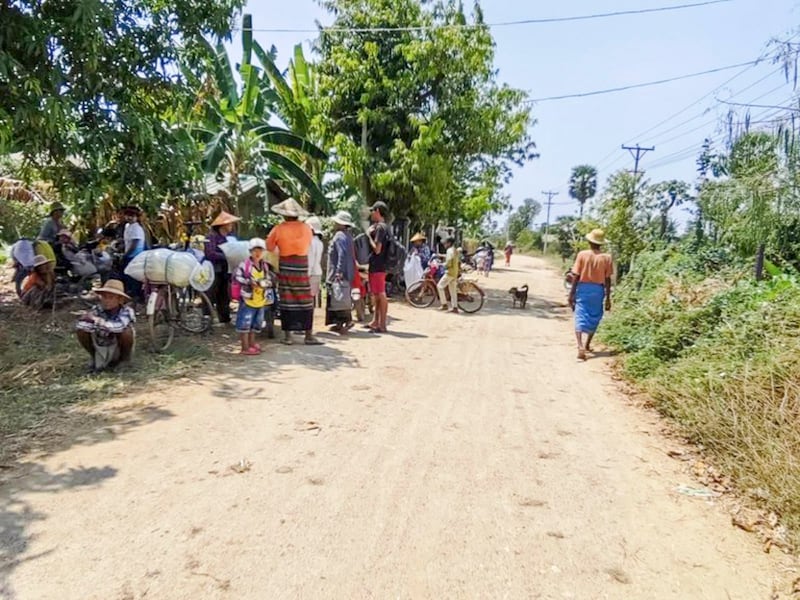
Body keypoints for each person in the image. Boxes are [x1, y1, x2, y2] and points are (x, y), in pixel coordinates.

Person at [266, 198, 322, 346]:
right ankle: (308, 335)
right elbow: (308, 243)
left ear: (284, 215)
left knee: (287, 298)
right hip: (302, 265)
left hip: (286, 265)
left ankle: (288, 337)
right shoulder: (306, 228)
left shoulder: (278, 229)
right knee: (305, 299)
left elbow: (269, 247)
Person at [568, 229, 614, 361]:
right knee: (595, 316)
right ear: (601, 243)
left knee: (580, 315)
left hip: (583, 289)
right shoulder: (607, 258)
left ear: (589, 241)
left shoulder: (582, 255)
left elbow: (576, 276)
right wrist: (608, 298)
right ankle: (587, 344)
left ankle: (580, 346)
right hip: (598, 291)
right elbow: (608, 279)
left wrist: (571, 293)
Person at [76, 279, 136, 372]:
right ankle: (94, 357)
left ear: (119, 300)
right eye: (104, 297)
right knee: (81, 331)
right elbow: (81, 326)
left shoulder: (126, 311)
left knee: (126, 332)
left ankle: (125, 360)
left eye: (111, 298)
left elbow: (119, 326)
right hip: (102, 342)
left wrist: (98, 321)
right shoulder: (97, 309)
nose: (107, 301)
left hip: (118, 345)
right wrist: (87, 320)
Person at [233, 238, 274, 355]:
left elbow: (269, 279)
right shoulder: (245, 265)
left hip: (260, 299)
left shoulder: (264, 266)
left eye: (260, 251)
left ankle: (252, 344)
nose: (258, 253)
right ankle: (245, 347)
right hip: (248, 299)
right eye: (255, 250)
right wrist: (249, 282)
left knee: (255, 324)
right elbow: (237, 277)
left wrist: (266, 283)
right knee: (245, 324)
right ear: (250, 252)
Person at [205, 211, 241, 325]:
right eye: (230, 224)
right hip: (214, 268)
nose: (231, 226)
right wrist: (226, 255)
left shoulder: (231, 237)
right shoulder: (212, 237)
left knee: (224, 293)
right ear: (223, 225)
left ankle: (225, 318)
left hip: (226, 269)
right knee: (211, 292)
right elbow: (210, 253)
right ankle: (207, 318)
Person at [326, 210, 356, 334]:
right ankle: (340, 323)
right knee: (342, 296)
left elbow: (341, 255)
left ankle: (345, 321)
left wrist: (338, 271)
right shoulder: (348, 236)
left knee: (337, 297)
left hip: (337, 272)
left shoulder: (339, 236)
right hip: (348, 272)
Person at [366, 201, 390, 333]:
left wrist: (368, 235)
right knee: (377, 294)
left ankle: (382, 325)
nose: (371, 213)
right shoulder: (384, 227)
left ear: (378, 211)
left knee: (380, 294)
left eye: (373, 211)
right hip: (380, 265)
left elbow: (377, 249)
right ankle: (376, 322)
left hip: (378, 266)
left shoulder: (380, 228)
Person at [121, 206, 146, 301]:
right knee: (128, 275)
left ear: (136, 217)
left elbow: (134, 243)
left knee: (133, 276)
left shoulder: (137, 228)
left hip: (135, 255)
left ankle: (136, 296)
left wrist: (126, 254)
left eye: (132, 216)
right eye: (127, 215)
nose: (129, 218)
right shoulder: (128, 226)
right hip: (129, 254)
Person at [437, 237, 459, 313]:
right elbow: (451, 257)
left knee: (439, 286)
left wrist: (442, 264)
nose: (444, 244)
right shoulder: (454, 250)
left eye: (445, 243)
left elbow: (449, 261)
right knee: (452, 291)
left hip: (449, 272)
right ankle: (455, 307)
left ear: (449, 243)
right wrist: (441, 255)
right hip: (455, 272)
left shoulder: (449, 250)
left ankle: (444, 304)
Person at [306, 216, 325, 304]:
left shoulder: (310, 242)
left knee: (307, 298)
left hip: (310, 273)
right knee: (312, 297)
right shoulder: (320, 243)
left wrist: (307, 274)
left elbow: (310, 260)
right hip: (317, 272)